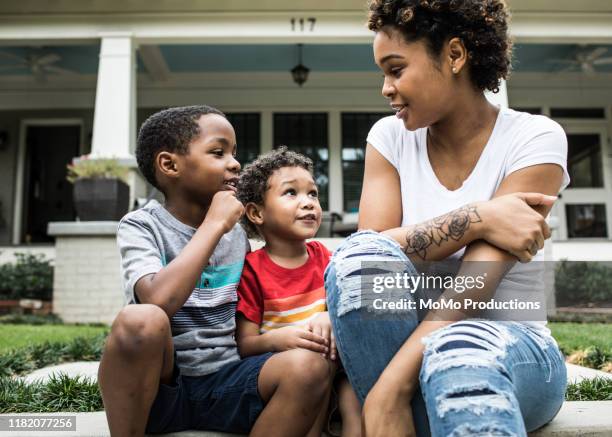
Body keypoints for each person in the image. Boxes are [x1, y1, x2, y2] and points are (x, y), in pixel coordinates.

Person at [324, 1, 569, 437]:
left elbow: (475, 283)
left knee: (459, 352)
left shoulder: (534, 137)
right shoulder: (389, 138)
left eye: (396, 69)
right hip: (396, 348)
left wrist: (388, 390)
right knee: (358, 260)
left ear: (455, 56)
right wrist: (478, 216)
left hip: (510, 354)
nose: (385, 88)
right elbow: (369, 259)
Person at [97, 106, 331, 437]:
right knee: (140, 320)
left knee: (309, 366)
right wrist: (214, 225)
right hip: (163, 386)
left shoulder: (236, 234)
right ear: (170, 165)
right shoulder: (142, 225)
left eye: (234, 153)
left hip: (229, 382)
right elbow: (158, 301)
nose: (235, 163)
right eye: (218, 152)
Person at [235, 147, 362, 437]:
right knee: (314, 365)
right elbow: (245, 344)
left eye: (313, 193)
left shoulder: (326, 258)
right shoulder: (252, 270)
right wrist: (281, 338)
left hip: (336, 371)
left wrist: (330, 317)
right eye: (291, 193)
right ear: (256, 212)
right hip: (288, 379)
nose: (308, 203)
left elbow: (350, 307)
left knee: (354, 399)